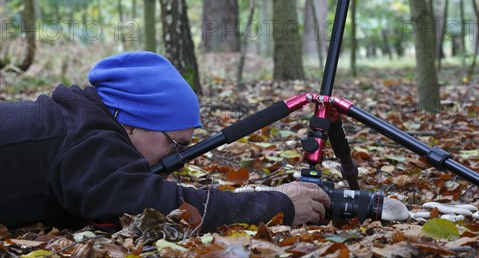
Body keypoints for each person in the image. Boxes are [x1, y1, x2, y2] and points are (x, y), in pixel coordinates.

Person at [0, 51, 330, 231]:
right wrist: (279, 205)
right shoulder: (86, 139)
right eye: (175, 144)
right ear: (130, 125)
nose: (176, 157)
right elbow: (149, 204)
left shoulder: (79, 122)